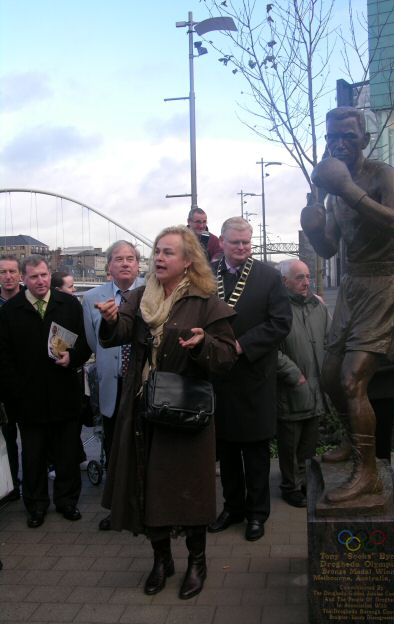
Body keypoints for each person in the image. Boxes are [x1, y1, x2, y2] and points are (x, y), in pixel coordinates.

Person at [96, 226, 237, 599]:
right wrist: (111, 320)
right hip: (144, 410)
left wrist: (203, 344)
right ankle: (161, 561)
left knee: (190, 490)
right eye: (156, 251)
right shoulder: (143, 296)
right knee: (147, 486)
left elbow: (225, 356)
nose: (158, 257)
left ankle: (197, 562)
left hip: (187, 413)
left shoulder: (205, 300)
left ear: (188, 261)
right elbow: (124, 328)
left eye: (168, 252)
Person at [301, 106, 394, 503]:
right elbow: (329, 248)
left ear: (364, 137)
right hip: (351, 286)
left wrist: (347, 189)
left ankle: (368, 471)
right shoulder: (334, 192)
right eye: (332, 137)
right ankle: (352, 441)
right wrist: (313, 228)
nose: (339, 143)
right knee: (329, 377)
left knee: (351, 379)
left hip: (381, 282)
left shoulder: (381, 175)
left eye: (347, 135)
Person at [208, 217, 292, 541]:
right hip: (219, 377)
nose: (242, 248)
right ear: (223, 242)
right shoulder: (207, 276)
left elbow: (281, 322)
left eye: (246, 242)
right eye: (235, 243)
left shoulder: (269, 277)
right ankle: (232, 508)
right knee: (226, 449)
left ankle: (257, 513)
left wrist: (245, 344)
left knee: (255, 452)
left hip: (254, 375)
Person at [0, 256, 91, 528]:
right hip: (29, 400)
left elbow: (85, 344)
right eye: (33, 277)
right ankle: (36, 505)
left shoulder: (69, 304)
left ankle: (67, 501)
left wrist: (72, 358)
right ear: (23, 279)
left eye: (43, 275)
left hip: (64, 393)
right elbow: (3, 357)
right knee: (33, 456)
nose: (40, 281)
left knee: (66, 454)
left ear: (49, 275)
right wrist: (17, 391)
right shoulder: (10, 311)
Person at [82, 241, 144, 531]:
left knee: (145, 445)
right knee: (114, 447)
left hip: (144, 385)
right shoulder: (92, 297)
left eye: (130, 258)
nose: (125, 263)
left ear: (138, 263)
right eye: (118, 259)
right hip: (112, 384)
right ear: (108, 266)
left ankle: (147, 505)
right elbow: (95, 341)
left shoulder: (151, 292)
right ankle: (117, 507)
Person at [276, 259, 329, 508]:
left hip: (317, 387)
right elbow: (271, 349)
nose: (306, 282)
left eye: (307, 277)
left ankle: (305, 479)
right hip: (292, 388)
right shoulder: (277, 308)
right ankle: (290, 486)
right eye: (299, 277)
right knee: (290, 443)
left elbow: (329, 340)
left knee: (310, 439)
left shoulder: (318, 307)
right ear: (284, 280)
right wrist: (293, 373)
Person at [0, 255, 22, 501]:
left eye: (12, 271)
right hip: (3, 383)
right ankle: (11, 484)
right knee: (7, 436)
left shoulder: (30, 301)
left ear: (20, 275)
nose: (7, 276)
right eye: (3, 272)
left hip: (26, 380)